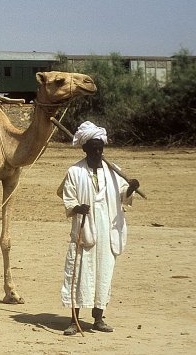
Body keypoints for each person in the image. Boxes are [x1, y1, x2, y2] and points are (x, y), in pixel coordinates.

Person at [59, 121, 140, 335]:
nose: (97, 151)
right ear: (85, 148)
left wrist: (130, 189)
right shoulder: (74, 171)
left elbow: (124, 195)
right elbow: (68, 198)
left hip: (108, 230)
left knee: (104, 274)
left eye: (100, 147)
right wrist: (77, 207)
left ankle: (98, 318)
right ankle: (73, 320)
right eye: (93, 147)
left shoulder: (114, 172)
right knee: (77, 274)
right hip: (85, 230)